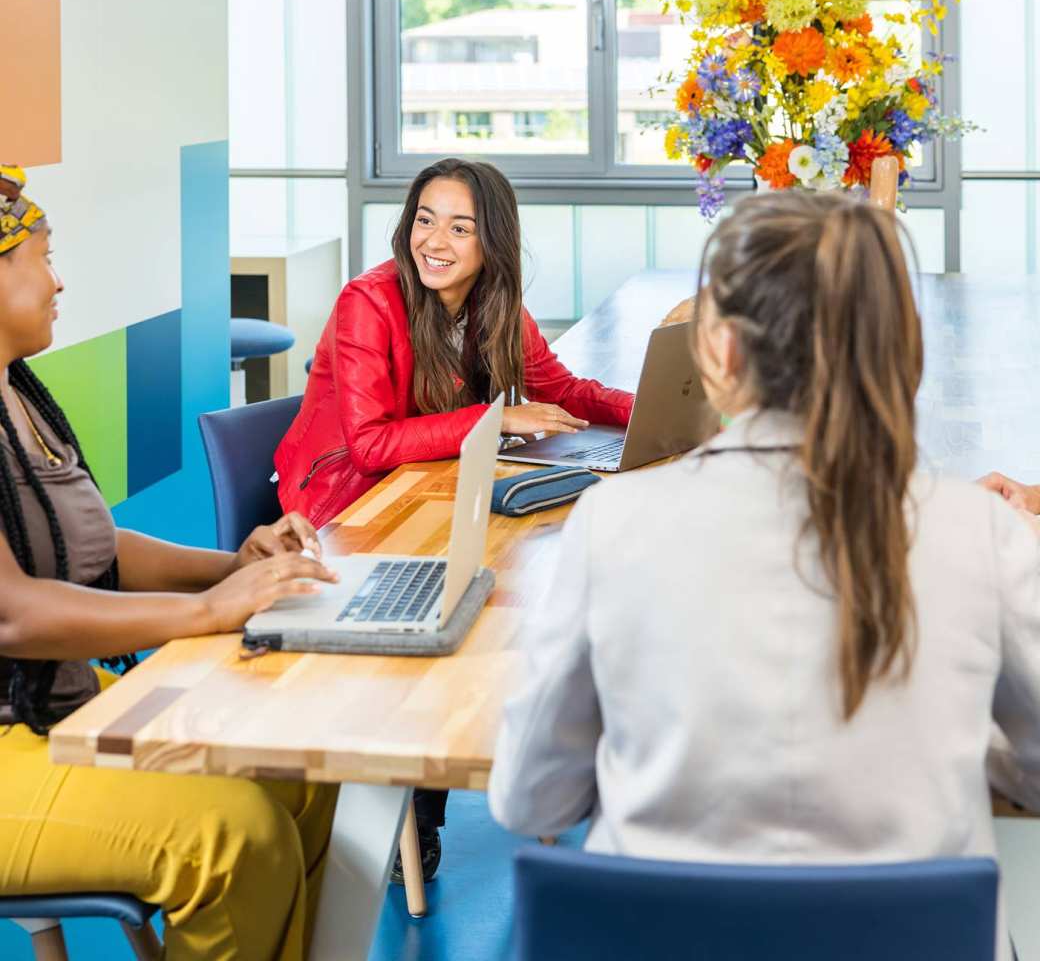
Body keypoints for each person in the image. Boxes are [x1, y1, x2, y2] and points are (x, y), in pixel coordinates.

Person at [488, 190, 1040, 961]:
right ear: (891, 344)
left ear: (716, 351)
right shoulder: (979, 531)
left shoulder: (611, 525)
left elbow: (529, 796)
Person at [0, 166, 341, 961]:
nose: (59, 280)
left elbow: (90, 545)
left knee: (300, 765)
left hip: (57, 707)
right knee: (237, 837)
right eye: (43, 257)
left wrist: (230, 569)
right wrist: (206, 614)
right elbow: (11, 611)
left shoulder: (20, 394)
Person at [275, 157, 634, 880]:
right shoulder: (366, 302)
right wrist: (499, 416)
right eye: (425, 219)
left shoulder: (495, 302)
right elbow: (371, 443)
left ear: (490, 243)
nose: (434, 240)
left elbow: (561, 386)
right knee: (473, 583)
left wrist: (656, 414)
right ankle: (420, 800)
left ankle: (464, 763)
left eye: (459, 226)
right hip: (347, 497)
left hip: (428, 483)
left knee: (510, 563)